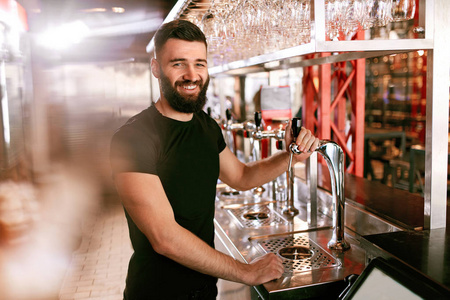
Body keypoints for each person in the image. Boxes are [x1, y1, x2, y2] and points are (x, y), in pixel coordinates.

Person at [110, 19, 320, 300]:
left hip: (204, 291)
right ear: (155, 67)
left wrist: (291, 156)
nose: (191, 74)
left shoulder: (206, 127)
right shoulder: (133, 138)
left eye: (199, 63)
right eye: (178, 63)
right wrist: (246, 271)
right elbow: (164, 238)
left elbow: (242, 177)